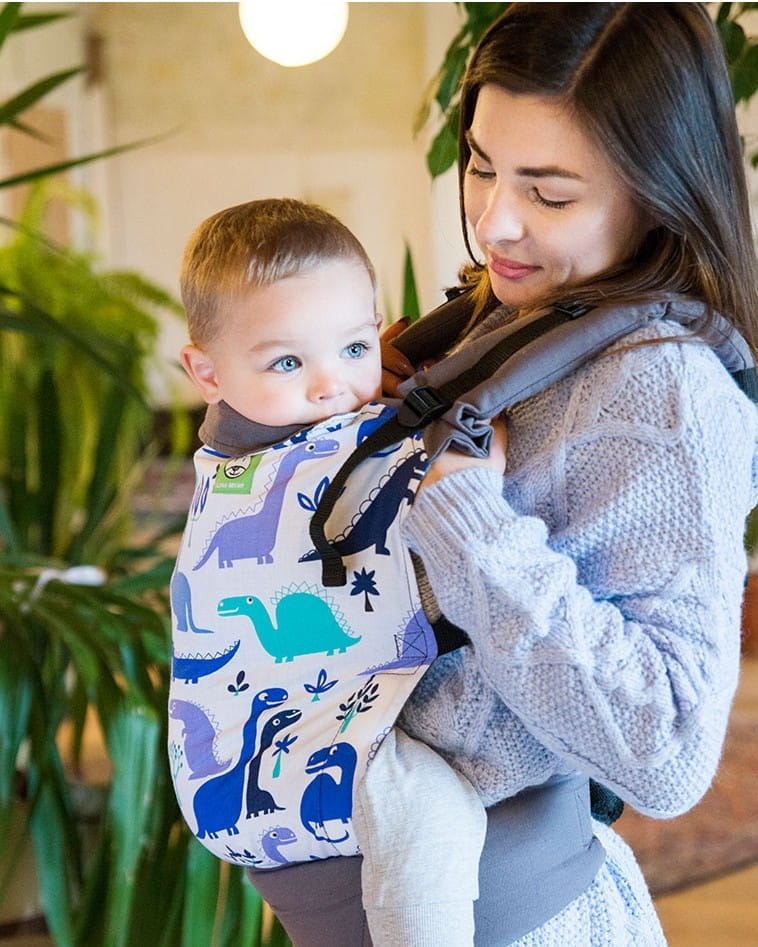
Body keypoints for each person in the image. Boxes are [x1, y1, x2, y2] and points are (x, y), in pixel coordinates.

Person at [247, 4, 758, 945]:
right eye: (482, 166)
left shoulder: (669, 395)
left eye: (549, 193)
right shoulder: (495, 324)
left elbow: (669, 751)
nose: (495, 222)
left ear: (658, 191)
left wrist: (464, 513)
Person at [172, 197, 487, 946]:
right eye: (287, 362)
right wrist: (478, 450)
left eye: (353, 347)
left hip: (259, 769)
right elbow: (461, 475)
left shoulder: (257, 443)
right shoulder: (296, 461)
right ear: (207, 373)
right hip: (303, 754)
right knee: (437, 815)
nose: (329, 385)